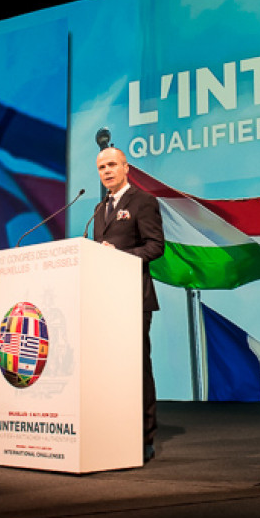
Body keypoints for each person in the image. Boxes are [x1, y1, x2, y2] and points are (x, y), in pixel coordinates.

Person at [92, 147, 165, 462]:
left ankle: (144, 437)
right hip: (108, 301)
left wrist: (119, 258)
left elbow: (156, 246)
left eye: (111, 165)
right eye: (101, 167)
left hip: (135, 297)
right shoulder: (98, 210)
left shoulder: (144, 202)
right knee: (110, 370)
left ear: (125, 168)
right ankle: (114, 431)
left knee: (137, 367)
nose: (106, 171)